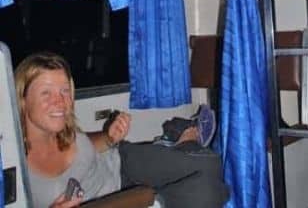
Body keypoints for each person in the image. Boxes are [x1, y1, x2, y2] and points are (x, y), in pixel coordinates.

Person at [15, 51, 228, 208]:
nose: (60, 102)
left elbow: (83, 142)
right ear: (22, 98)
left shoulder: (60, 130)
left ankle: (178, 144)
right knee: (208, 191)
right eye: (46, 93)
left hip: (120, 162)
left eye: (64, 91)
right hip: (114, 201)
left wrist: (108, 137)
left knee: (210, 162)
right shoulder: (10, 166)